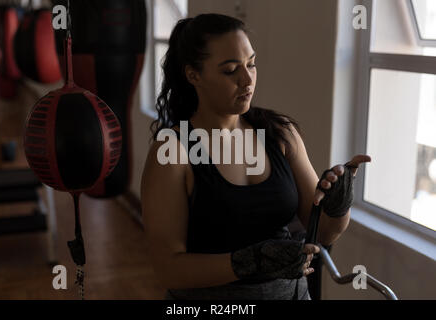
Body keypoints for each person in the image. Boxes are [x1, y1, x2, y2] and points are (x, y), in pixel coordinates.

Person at [141, 13, 370, 300]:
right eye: (230, 70)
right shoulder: (172, 152)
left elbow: (324, 234)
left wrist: (338, 205)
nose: (247, 79)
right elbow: (167, 269)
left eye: (251, 64)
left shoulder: (279, 134)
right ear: (193, 75)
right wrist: (249, 262)